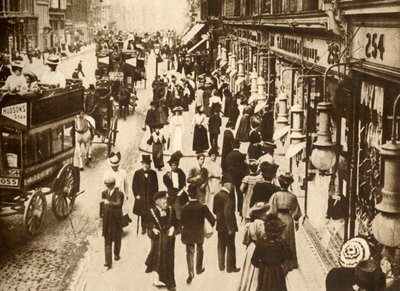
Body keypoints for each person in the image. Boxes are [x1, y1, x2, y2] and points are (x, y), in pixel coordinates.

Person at [181, 184, 216, 284]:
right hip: (198, 233)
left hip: (188, 234)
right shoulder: (202, 207)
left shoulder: (184, 208)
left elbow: (181, 222)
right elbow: (212, 219)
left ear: (189, 194)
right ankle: (199, 268)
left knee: (189, 252)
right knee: (200, 248)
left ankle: (190, 273)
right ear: (197, 194)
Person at [143, 191, 178, 291]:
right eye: (164, 201)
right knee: (158, 259)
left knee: (170, 260)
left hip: (170, 240)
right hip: (158, 241)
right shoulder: (151, 212)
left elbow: (176, 222)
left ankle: (170, 283)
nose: (166, 202)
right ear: (157, 202)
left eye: (166, 200)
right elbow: (147, 225)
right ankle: (158, 280)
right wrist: (152, 229)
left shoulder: (171, 210)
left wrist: (173, 227)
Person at [268, 173, 302, 272]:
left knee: (277, 239)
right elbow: (296, 212)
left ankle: (277, 260)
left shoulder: (275, 195)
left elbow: (271, 210)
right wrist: (296, 221)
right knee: (289, 241)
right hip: (288, 219)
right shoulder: (292, 196)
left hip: (278, 217)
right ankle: (290, 263)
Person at [251, 214, 292, 291]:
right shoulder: (282, 243)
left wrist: (262, 265)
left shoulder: (261, 243)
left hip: (264, 273)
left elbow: (254, 261)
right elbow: (288, 257)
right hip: (278, 272)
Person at [237, 202, 270, 291]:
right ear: (260, 214)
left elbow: (245, 241)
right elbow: (265, 239)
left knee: (248, 270)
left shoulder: (249, 225)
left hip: (251, 249)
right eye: (265, 212)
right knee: (257, 271)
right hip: (260, 250)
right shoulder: (262, 225)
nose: (267, 214)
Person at [213, 173, 240, 273]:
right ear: (226, 184)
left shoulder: (217, 195)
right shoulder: (228, 197)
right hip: (229, 226)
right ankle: (230, 267)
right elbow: (228, 213)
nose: (232, 186)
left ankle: (221, 265)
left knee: (220, 245)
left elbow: (214, 210)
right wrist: (230, 228)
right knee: (231, 246)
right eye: (231, 184)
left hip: (220, 224)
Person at [101, 175, 124, 269]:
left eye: (110, 185)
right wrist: (101, 215)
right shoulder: (104, 193)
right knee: (107, 240)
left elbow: (119, 204)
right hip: (107, 221)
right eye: (107, 185)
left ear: (114, 184)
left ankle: (116, 254)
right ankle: (108, 261)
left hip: (116, 220)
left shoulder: (119, 193)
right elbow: (102, 205)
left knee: (117, 238)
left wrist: (109, 203)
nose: (108, 187)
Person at [132, 155, 159, 234]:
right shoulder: (137, 173)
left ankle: (149, 227)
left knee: (150, 211)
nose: (147, 165)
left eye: (148, 164)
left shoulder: (153, 173)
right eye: (145, 164)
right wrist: (136, 195)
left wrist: (155, 196)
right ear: (142, 164)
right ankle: (143, 227)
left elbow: (156, 186)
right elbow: (134, 185)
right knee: (143, 212)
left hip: (150, 197)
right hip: (142, 197)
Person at [163, 152, 188, 222]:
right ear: (170, 166)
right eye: (172, 165)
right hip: (171, 194)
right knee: (168, 210)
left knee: (178, 211)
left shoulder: (181, 173)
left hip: (179, 194)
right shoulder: (166, 176)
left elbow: (183, 184)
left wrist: (181, 191)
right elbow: (167, 186)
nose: (174, 166)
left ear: (177, 165)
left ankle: (179, 225)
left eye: (175, 165)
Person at [224, 139, 246, 215]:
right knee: (240, 193)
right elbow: (244, 167)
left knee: (231, 194)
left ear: (232, 145)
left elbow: (227, 167)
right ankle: (240, 209)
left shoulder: (228, 155)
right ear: (239, 146)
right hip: (240, 177)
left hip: (231, 177)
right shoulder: (242, 156)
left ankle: (232, 209)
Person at [241, 159, 264, 223]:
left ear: (249, 169)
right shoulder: (260, 178)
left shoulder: (247, 178)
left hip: (248, 197)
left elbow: (241, 189)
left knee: (247, 215)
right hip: (257, 198)